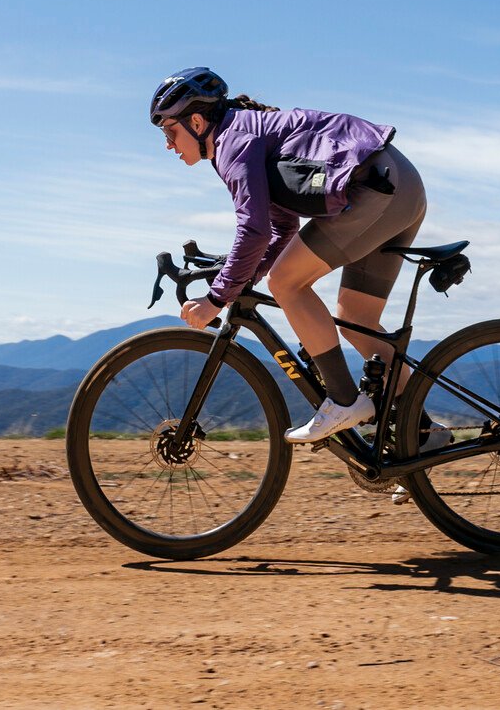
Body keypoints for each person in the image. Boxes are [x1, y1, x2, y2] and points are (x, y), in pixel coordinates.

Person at [150, 66, 440, 446]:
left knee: (286, 282)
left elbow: (253, 230)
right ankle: (421, 434)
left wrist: (217, 297)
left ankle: (343, 401)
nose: (168, 144)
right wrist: (239, 279)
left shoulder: (233, 142)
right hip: (399, 185)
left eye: (170, 131)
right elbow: (280, 230)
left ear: (198, 121)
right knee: (356, 318)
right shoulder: (245, 132)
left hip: (377, 188)